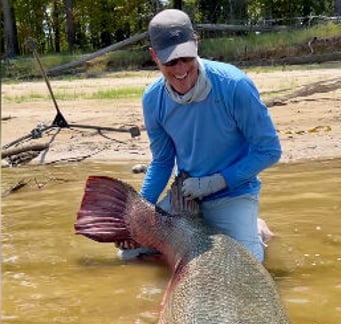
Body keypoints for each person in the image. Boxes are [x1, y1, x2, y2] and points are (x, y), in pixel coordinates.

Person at [120, 9, 281, 263]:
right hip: (186, 196)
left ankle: (254, 228)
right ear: (154, 56)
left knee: (248, 265)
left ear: (196, 44)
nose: (181, 68)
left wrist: (217, 181)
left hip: (234, 193)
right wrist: (140, 212)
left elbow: (270, 150)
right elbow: (162, 162)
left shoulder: (235, 86)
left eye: (186, 57)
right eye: (170, 62)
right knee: (129, 253)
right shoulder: (153, 99)